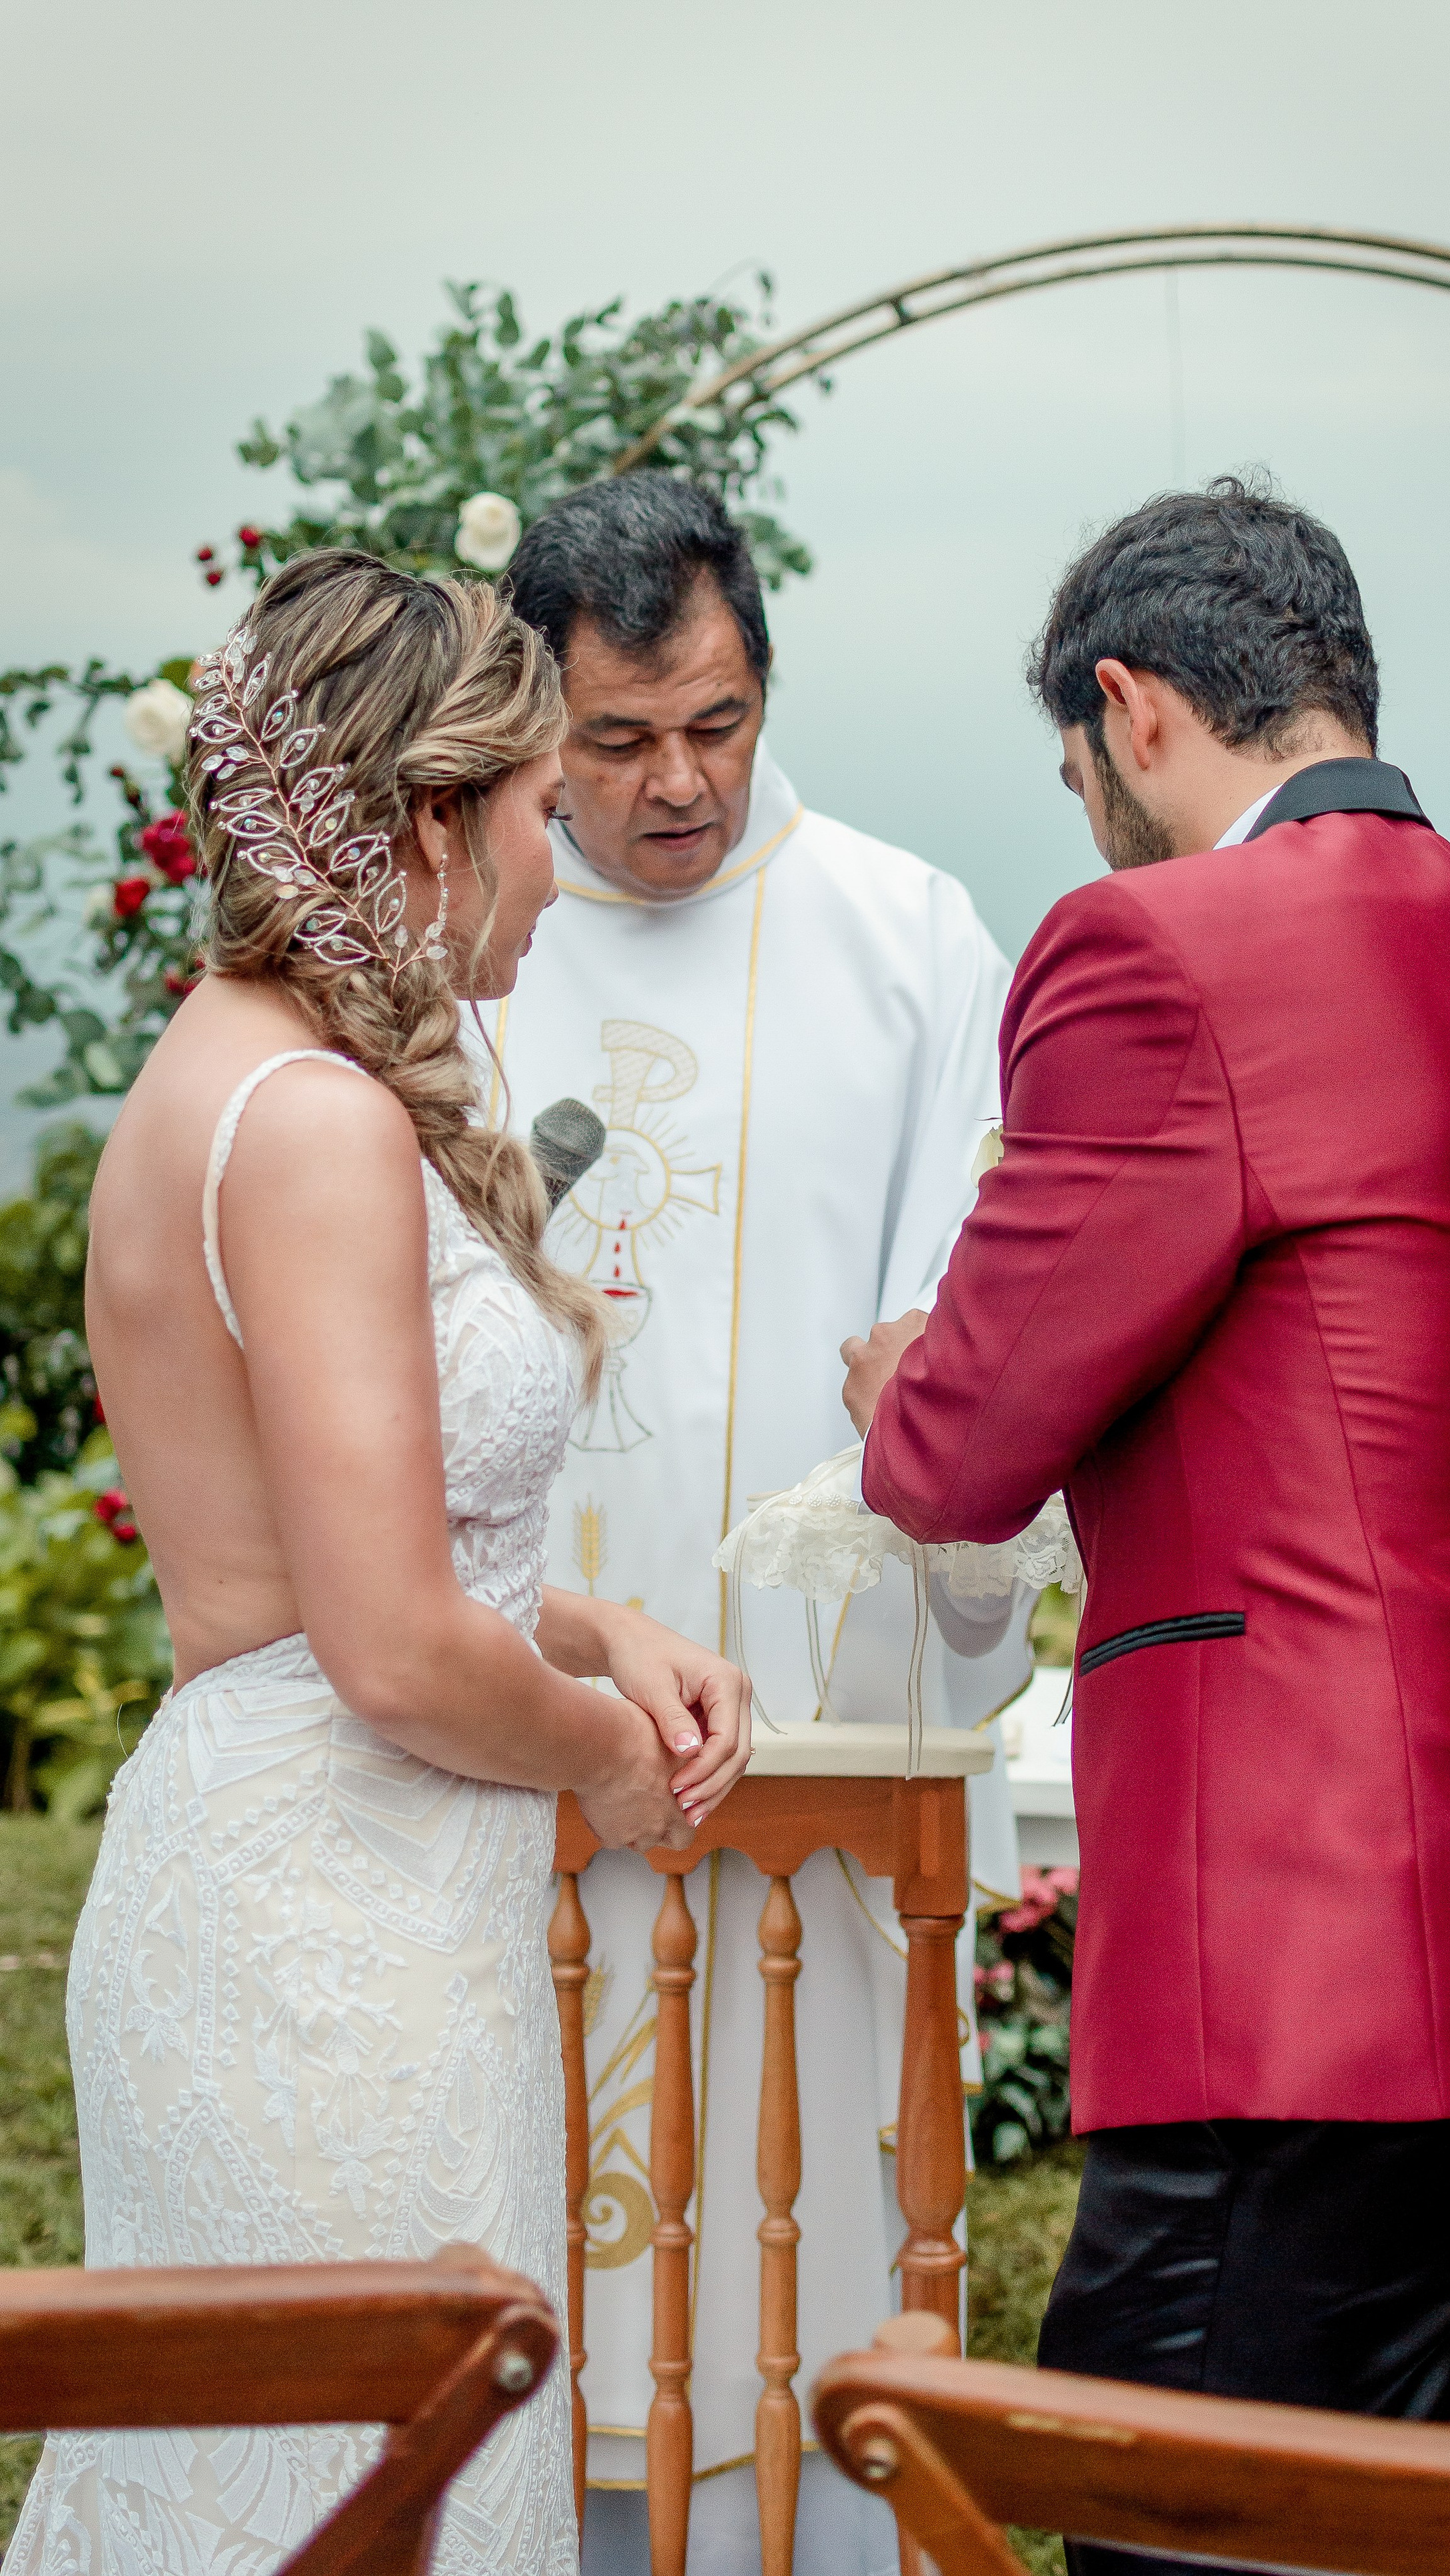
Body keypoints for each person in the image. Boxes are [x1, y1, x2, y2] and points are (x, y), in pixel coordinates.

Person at [843, 479, 1450, 2576]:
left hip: (1287, 1974)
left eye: (1081, 763)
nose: (1092, 810)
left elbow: (958, 1451)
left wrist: (900, 1369)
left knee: (1166, 2539)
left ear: (1133, 710)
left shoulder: (1150, 951)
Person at [9, 551, 751, 2576]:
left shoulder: (223, 1058)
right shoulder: (318, 1119)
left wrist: (600, 1623)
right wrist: (607, 1755)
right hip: (325, 1943)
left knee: (307, 2490)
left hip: (316, 1888)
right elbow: (397, 1647)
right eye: (531, 795)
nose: (562, 842)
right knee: (355, 2498)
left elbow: (357, 1551)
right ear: (428, 818)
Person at [491, 471, 1027, 2573]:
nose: (676, 782)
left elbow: (959, 1347)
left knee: (792, 2296)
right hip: (513, 1758)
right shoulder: (471, 936)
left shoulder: (909, 938)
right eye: (615, 740)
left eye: (715, 720)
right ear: (538, 720)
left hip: (808, 1768)